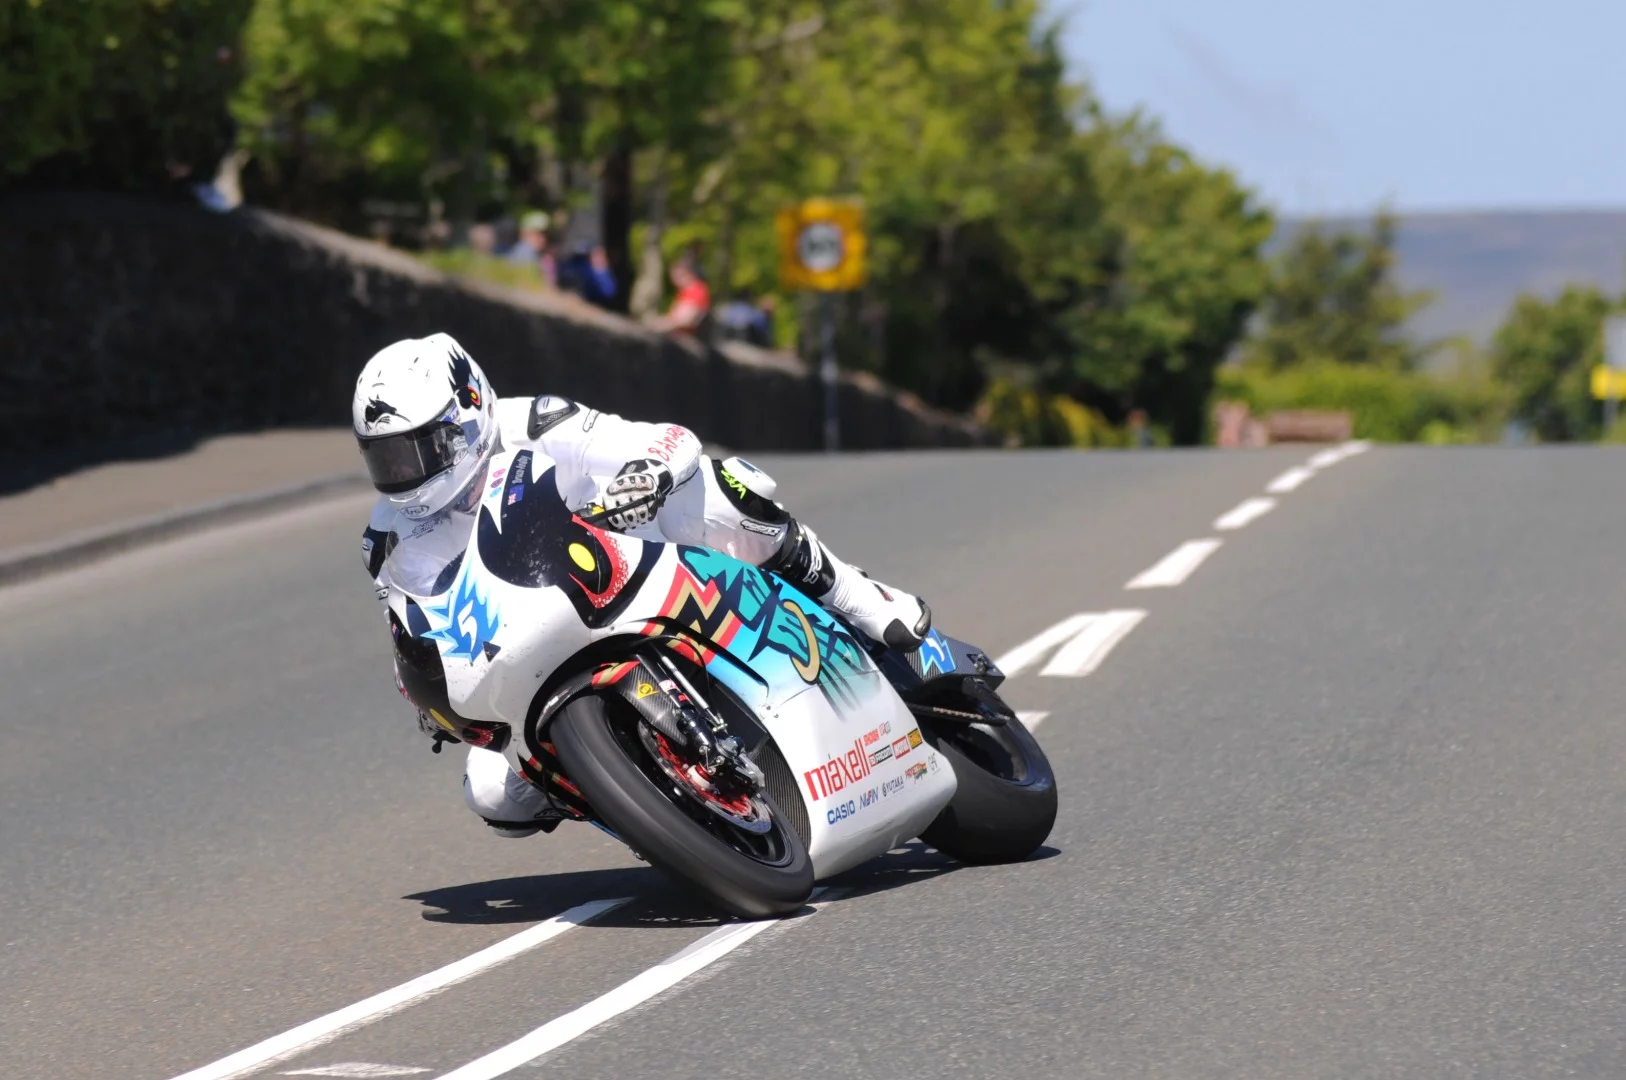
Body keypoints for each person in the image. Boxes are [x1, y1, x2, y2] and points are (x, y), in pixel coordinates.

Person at [352, 333, 932, 836]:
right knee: (493, 796)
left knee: (714, 491)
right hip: (527, 639)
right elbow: (410, 623)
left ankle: (855, 597)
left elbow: (668, 440)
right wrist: (425, 689)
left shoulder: (531, 421)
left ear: (469, 412)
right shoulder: (388, 535)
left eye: (417, 452)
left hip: (625, 556)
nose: (405, 475)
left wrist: (646, 478)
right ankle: (637, 799)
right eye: (387, 460)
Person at [648, 256, 710, 336]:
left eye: (679, 275)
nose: (674, 279)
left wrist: (660, 326)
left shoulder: (696, 291)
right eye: (673, 276)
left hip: (686, 338)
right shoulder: (684, 292)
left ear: (689, 272)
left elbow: (686, 320)